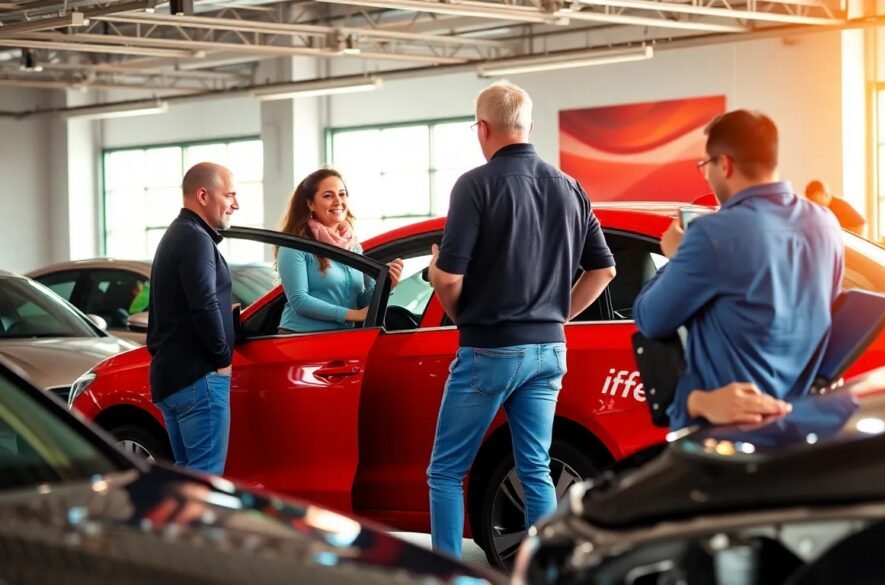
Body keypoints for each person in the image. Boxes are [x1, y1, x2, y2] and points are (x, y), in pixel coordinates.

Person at [426, 80, 617, 559]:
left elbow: (448, 277)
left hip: (490, 347)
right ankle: (547, 572)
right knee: (535, 467)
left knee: (446, 471)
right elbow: (605, 269)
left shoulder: (475, 184)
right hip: (550, 350)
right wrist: (558, 316)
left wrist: (444, 289)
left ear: (482, 128)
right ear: (527, 126)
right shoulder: (571, 187)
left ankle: (445, 573)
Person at [633, 110, 844, 431]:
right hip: (800, 420)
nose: (706, 175)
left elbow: (650, 318)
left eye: (705, 166)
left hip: (732, 431)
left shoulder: (713, 234)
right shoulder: (825, 223)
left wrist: (676, 255)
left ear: (725, 164)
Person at [147, 162, 239, 475]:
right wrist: (222, 356)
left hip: (172, 378)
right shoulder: (196, 239)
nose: (235, 204)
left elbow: (188, 303)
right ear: (203, 195)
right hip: (199, 378)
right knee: (205, 482)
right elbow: (204, 303)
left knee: (187, 480)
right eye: (229, 195)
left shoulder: (177, 234)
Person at [276, 168, 402, 333]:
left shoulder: (354, 247)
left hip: (341, 338)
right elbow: (300, 300)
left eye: (342, 194)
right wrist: (354, 315)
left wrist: (387, 285)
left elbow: (362, 300)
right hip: (301, 338)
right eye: (328, 196)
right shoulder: (295, 246)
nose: (338, 201)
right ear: (310, 204)